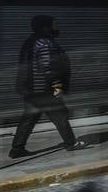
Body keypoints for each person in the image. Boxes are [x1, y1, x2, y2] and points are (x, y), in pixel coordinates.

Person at [10, 15, 89, 158]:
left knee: (28, 119)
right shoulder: (45, 43)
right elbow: (49, 67)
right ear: (45, 27)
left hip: (32, 90)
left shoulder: (30, 41)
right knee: (60, 116)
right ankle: (71, 143)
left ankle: (17, 149)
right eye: (54, 25)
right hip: (44, 89)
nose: (57, 27)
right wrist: (57, 86)